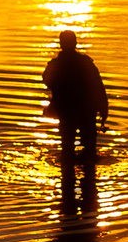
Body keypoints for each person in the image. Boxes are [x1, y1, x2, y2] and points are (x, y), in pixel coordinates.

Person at [41, 29, 109, 164]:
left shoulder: (56, 65)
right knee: (88, 150)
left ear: (61, 44)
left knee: (67, 150)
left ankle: (69, 175)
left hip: (68, 111)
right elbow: (99, 87)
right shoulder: (85, 63)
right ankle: (88, 177)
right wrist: (103, 109)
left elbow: (47, 81)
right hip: (85, 111)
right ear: (75, 43)